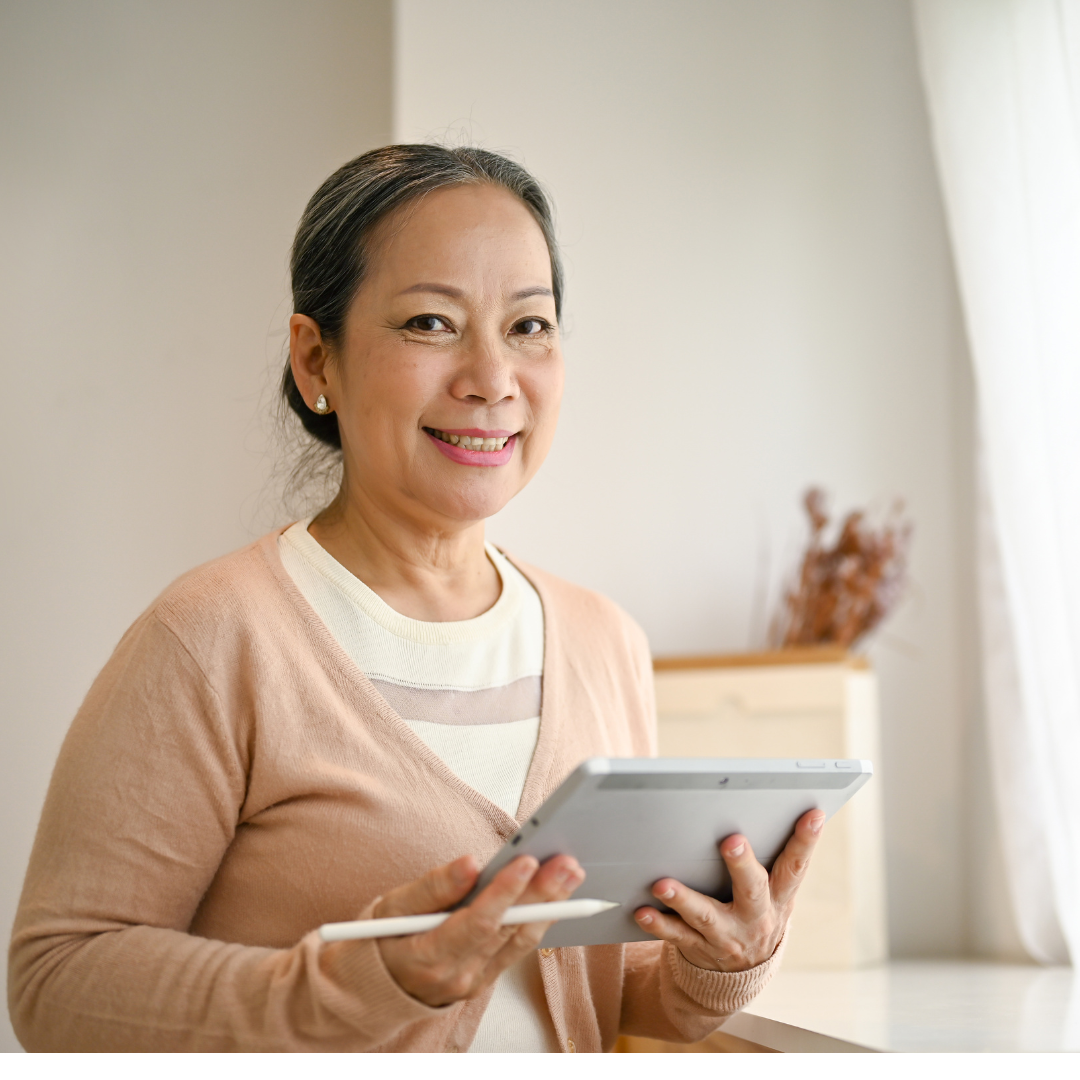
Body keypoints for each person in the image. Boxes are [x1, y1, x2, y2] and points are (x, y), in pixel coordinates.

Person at [8, 145, 825, 1052]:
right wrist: (367, 985)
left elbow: (589, 987)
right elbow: (56, 983)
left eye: (529, 326)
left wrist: (711, 966)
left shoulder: (604, 641)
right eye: (432, 323)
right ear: (317, 360)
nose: (492, 378)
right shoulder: (212, 637)